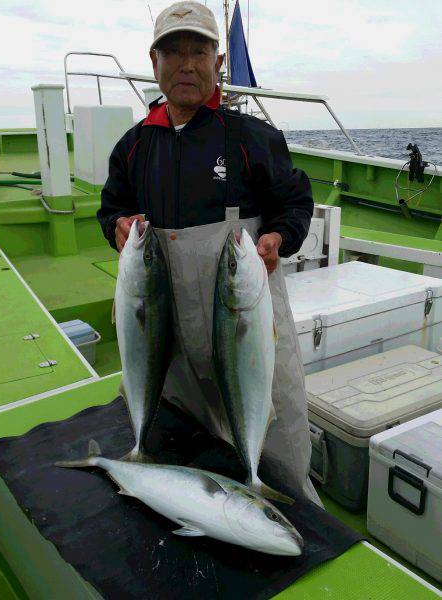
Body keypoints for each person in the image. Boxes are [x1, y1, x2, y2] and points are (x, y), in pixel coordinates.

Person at [97, 1, 321, 506]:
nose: (187, 65)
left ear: (218, 63)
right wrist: (117, 225)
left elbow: (295, 201)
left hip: (244, 316)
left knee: (279, 431)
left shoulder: (252, 138)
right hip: (167, 329)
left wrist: (279, 237)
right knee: (187, 436)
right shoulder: (133, 148)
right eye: (173, 52)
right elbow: (112, 207)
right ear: (154, 63)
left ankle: (297, 515)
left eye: (199, 51)